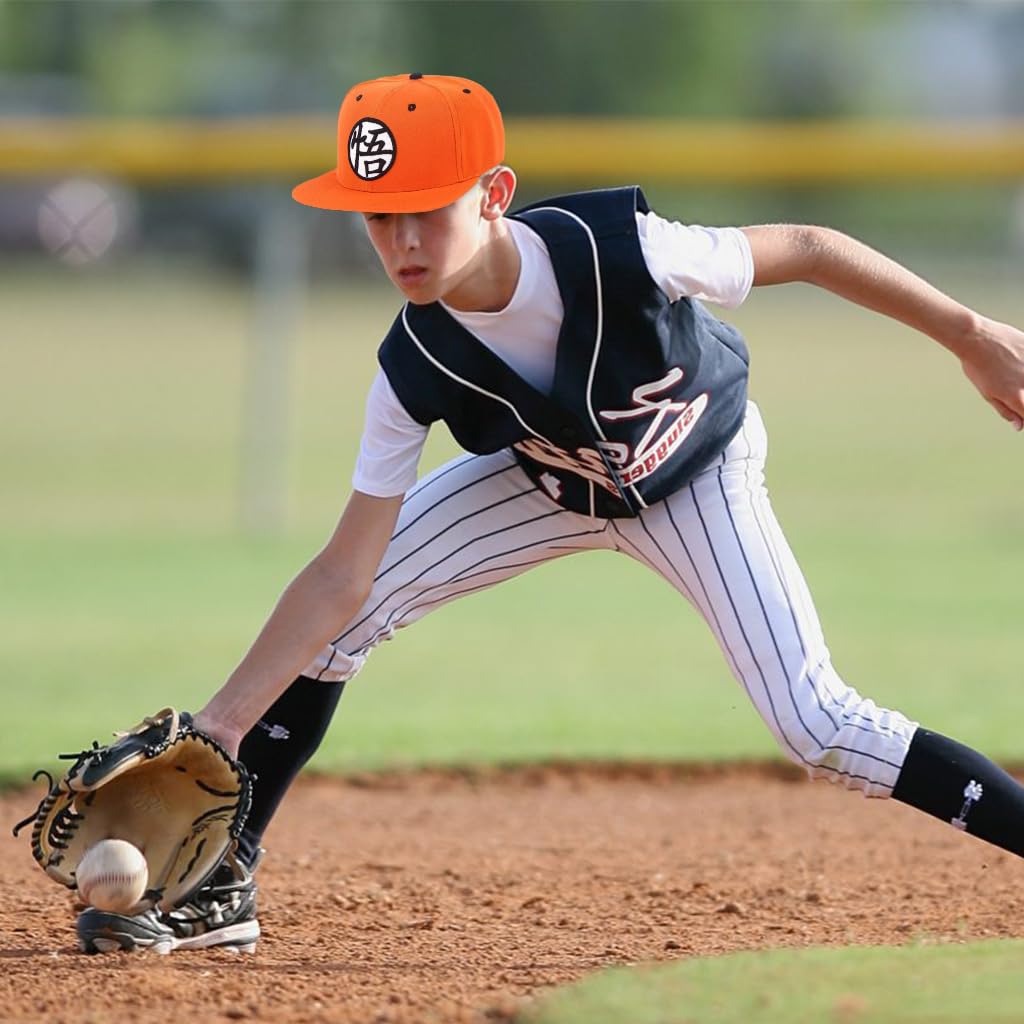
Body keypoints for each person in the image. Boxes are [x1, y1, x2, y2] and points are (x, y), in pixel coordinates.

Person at [77, 73, 1024, 954]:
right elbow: (341, 574)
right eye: (378, 218)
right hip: (549, 481)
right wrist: (221, 727)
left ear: (494, 193)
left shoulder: (621, 251)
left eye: (424, 211)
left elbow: (810, 250)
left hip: (696, 472)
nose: (402, 244)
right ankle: (221, 886)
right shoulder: (410, 365)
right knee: (343, 621)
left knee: (814, 721)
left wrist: (971, 336)